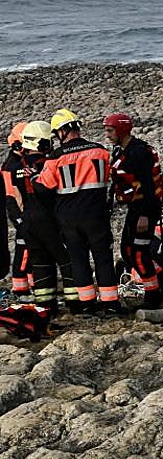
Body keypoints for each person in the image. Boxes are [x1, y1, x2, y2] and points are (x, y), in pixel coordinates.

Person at [36, 109, 123, 313]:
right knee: (103, 259)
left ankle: (87, 305)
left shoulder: (56, 157)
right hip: (97, 215)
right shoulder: (101, 151)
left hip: (69, 218)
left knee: (78, 260)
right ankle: (111, 303)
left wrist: (33, 178)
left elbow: (43, 187)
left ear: (63, 131)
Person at [11, 122, 74, 316]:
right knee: (67, 260)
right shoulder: (47, 164)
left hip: (28, 220)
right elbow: (53, 190)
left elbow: (17, 194)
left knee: (40, 263)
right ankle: (76, 303)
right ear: (42, 143)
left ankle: (46, 306)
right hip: (48, 217)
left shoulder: (16, 166)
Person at [105, 113, 163, 308]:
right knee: (127, 250)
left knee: (139, 254)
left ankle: (153, 295)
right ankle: (158, 277)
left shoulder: (138, 153)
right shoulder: (121, 151)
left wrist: (145, 216)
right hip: (135, 207)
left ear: (121, 130)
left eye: (110, 130)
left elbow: (148, 186)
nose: (107, 134)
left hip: (145, 209)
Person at [3, 124, 30, 298]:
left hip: (30, 213)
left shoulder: (23, 161)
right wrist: (19, 219)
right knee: (23, 249)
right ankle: (19, 287)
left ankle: (29, 284)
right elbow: (10, 196)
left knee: (33, 250)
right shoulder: (10, 166)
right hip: (21, 215)